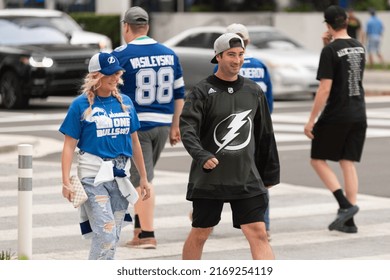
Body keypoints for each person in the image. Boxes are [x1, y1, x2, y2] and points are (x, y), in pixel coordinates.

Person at [180, 33, 280, 260]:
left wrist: (269, 172)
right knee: (201, 232)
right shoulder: (202, 92)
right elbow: (187, 129)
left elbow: (265, 134)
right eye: (231, 55)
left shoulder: (253, 91)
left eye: (241, 54)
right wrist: (201, 155)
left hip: (246, 177)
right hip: (209, 179)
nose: (237, 60)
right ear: (218, 56)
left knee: (258, 232)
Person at [59, 52, 151, 260]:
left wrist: (143, 178)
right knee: (106, 232)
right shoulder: (80, 105)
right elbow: (68, 146)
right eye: (110, 74)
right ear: (96, 76)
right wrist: (65, 181)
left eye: (117, 73)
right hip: (93, 177)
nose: (115, 78)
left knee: (113, 235)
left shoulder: (125, 102)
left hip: (120, 176)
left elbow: (134, 142)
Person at [112, 6, 185, 249]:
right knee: (144, 175)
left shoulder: (121, 54)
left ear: (126, 27)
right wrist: (176, 125)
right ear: (147, 27)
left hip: (137, 126)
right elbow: (179, 93)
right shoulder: (168, 53)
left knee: (141, 179)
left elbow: (111, 91)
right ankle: (138, 231)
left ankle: (148, 235)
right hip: (163, 124)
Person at [304, 5, 367, 234]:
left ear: (328, 25)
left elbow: (325, 88)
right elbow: (346, 72)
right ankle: (350, 222)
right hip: (359, 113)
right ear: (347, 22)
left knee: (317, 159)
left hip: (337, 114)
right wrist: (328, 45)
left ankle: (344, 205)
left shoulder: (330, 51)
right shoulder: (359, 47)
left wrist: (311, 120)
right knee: (346, 162)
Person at [214, 23, 274, 241]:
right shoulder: (260, 65)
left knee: (220, 174)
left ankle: (206, 217)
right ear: (247, 42)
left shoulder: (222, 66)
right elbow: (269, 102)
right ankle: (263, 225)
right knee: (257, 179)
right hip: (256, 130)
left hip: (230, 131)